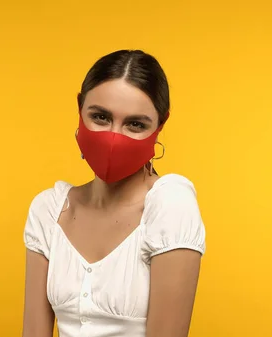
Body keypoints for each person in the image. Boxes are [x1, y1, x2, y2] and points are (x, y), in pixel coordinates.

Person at [22, 50, 206, 337]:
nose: (113, 137)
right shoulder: (49, 210)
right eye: (100, 117)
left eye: (135, 124)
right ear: (80, 110)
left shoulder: (170, 204)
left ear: (160, 126)